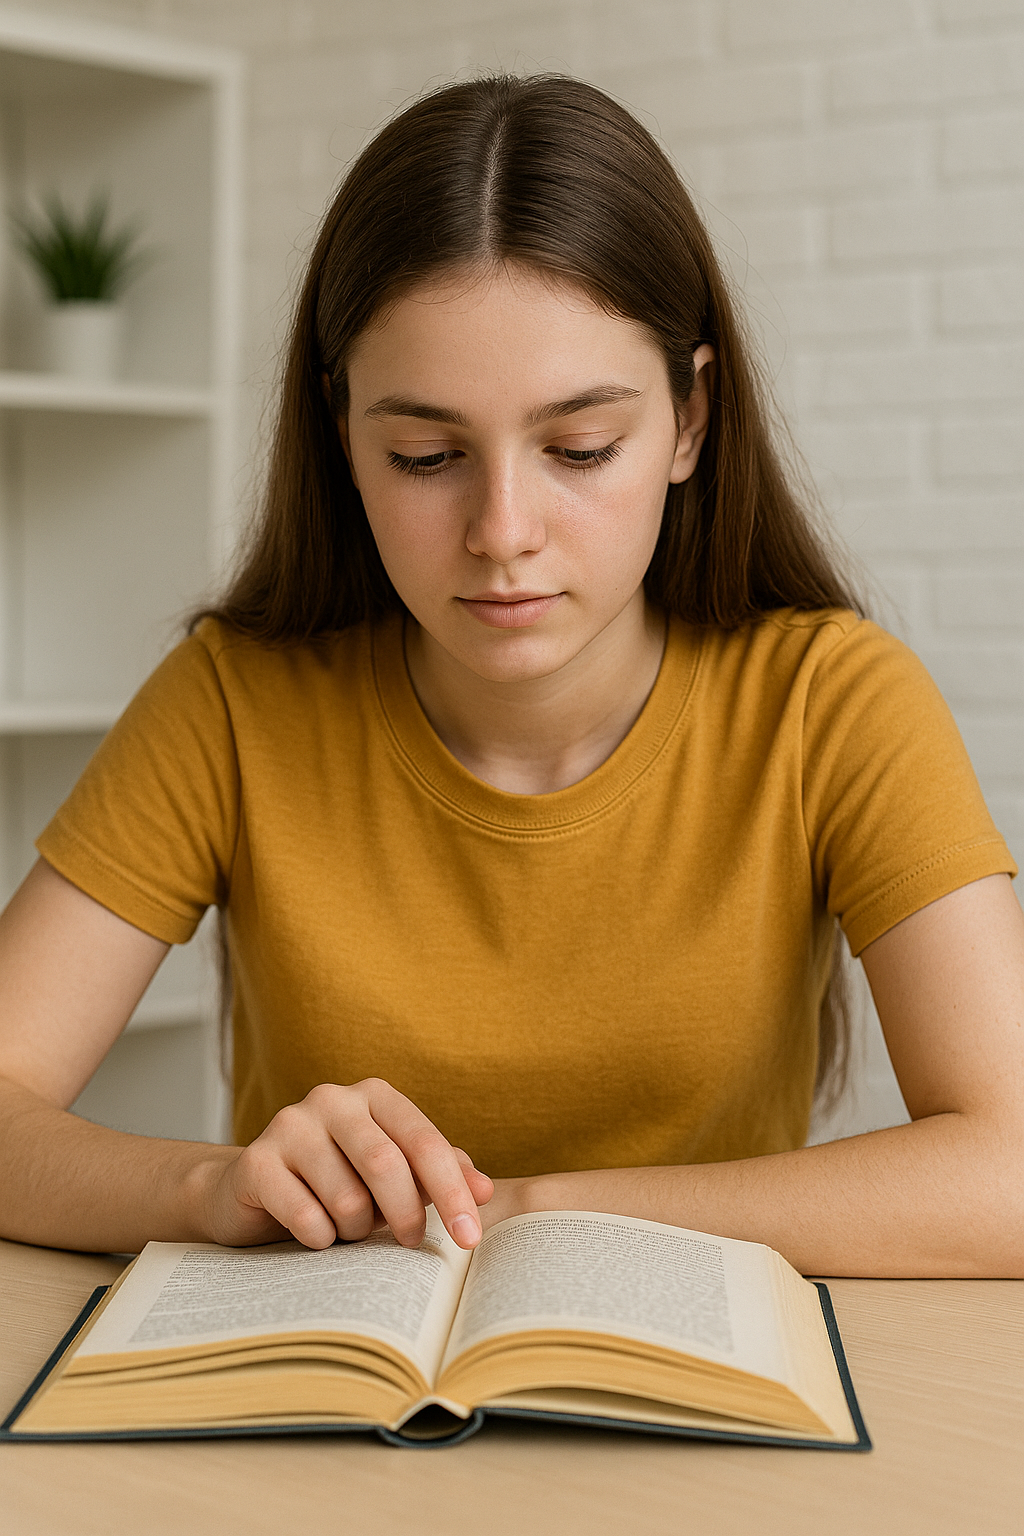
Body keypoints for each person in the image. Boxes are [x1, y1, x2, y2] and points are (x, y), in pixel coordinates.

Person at [1, 75, 1021, 1278]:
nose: (502, 530)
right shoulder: (235, 701)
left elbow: (1004, 1167)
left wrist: (532, 1213)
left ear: (692, 420)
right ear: (344, 441)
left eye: (580, 449)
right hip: (326, 1423)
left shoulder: (831, 702)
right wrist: (211, 1186)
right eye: (424, 456)